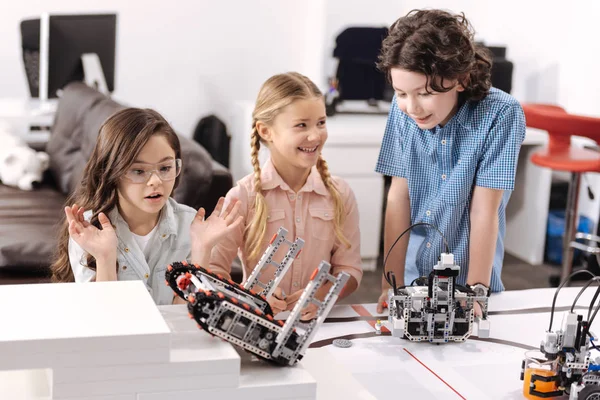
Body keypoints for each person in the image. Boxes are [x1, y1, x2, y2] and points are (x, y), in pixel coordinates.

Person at [375, 9, 526, 313]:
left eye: (425, 93)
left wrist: (476, 292)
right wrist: (389, 284)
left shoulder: (501, 114)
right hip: (412, 277)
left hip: (472, 276)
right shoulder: (402, 109)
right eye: (401, 92)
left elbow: (485, 210)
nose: (412, 107)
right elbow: (398, 196)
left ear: (461, 79)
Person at [209, 72, 363, 320]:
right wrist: (249, 298)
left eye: (321, 123)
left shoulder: (340, 193)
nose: (315, 136)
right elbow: (214, 271)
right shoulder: (242, 197)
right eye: (301, 125)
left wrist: (322, 295)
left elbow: (350, 269)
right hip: (257, 323)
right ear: (265, 131)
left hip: (318, 326)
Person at [50, 108, 242, 305]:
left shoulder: (192, 226)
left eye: (165, 168)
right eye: (139, 171)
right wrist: (105, 257)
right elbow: (105, 320)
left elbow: (183, 318)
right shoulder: (88, 230)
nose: (155, 181)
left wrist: (202, 250)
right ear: (111, 172)